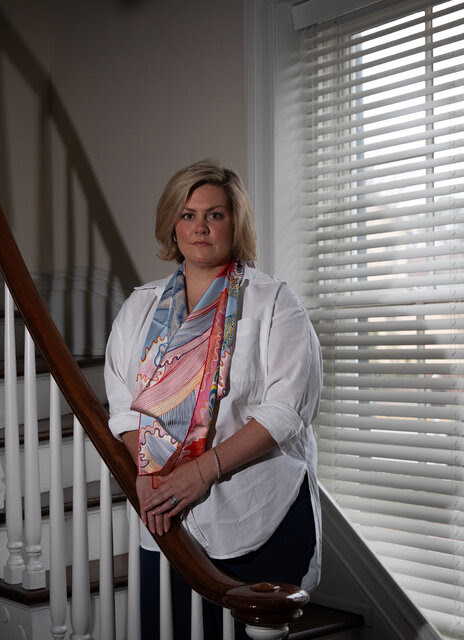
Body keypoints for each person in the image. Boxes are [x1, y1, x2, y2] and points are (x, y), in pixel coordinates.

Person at [104, 160, 322, 639]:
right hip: (165, 515)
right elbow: (122, 404)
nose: (200, 227)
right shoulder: (139, 307)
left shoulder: (274, 302)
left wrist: (201, 472)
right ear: (172, 226)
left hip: (258, 508)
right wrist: (148, 473)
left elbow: (285, 412)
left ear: (235, 223)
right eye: (187, 215)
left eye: (215, 214)